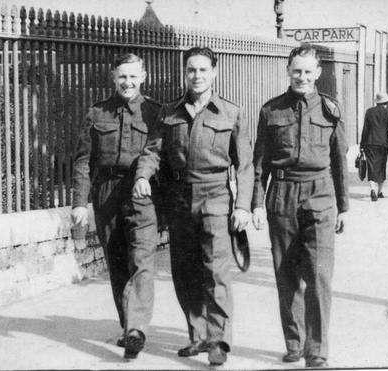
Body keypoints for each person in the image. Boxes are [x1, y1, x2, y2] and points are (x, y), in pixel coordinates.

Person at [133, 47, 254, 366]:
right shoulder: (170, 112)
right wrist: (144, 175)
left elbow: (245, 165)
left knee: (216, 270)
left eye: (203, 70)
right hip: (179, 198)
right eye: (191, 70)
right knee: (184, 271)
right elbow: (152, 151)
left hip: (215, 196)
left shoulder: (231, 112)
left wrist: (242, 205)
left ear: (214, 72)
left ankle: (218, 340)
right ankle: (198, 335)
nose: (197, 76)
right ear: (184, 73)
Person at [252, 44, 349, 368]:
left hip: (319, 196)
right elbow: (259, 164)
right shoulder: (271, 111)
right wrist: (255, 204)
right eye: (297, 71)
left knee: (319, 279)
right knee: (286, 277)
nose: (302, 77)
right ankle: (295, 343)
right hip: (281, 195)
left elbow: (338, 162)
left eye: (308, 71)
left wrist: (344, 207)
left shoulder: (331, 110)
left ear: (318, 73)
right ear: (288, 71)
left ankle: (317, 350)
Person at [71, 53, 161, 359]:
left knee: (142, 261)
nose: (128, 82)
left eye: (134, 76)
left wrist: (147, 180)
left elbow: (159, 153)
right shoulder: (97, 113)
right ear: (113, 76)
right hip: (106, 193)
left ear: (143, 76)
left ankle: (136, 329)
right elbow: (84, 160)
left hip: (141, 193)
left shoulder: (154, 113)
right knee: (117, 263)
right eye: (122, 76)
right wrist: (80, 202)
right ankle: (129, 330)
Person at [360, 92, 388, 201]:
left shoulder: (369, 112)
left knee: (371, 166)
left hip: (370, 142)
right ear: (387, 102)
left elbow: (365, 129)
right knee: (381, 166)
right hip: (383, 143)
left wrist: (362, 145)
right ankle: (380, 191)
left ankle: (372, 189)